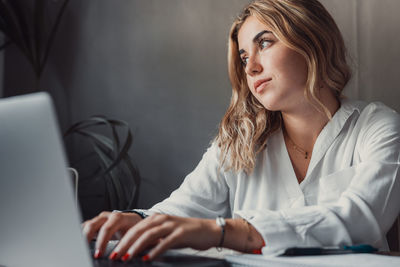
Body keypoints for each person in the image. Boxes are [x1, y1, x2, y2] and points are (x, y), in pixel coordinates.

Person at [82, 0, 400, 262]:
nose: (250, 68)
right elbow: (180, 210)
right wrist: (135, 220)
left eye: (264, 42)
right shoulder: (238, 142)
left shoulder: (378, 127)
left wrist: (228, 231)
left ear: (311, 40)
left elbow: (360, 217)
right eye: (245, 56)